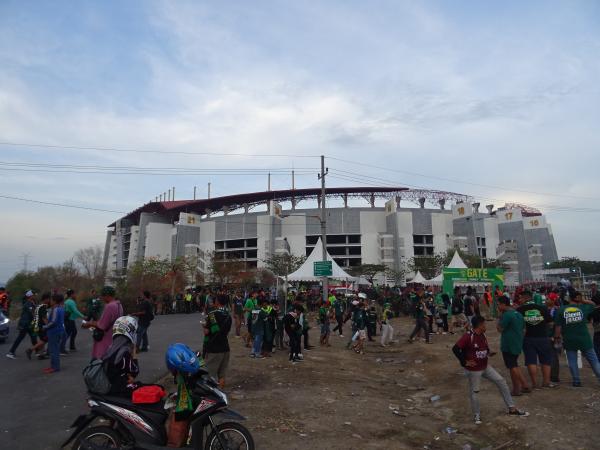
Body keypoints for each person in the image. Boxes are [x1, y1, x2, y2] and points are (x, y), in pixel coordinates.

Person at [452, 315, 528, 424]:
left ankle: (512, 408)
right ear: (480, 325)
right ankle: (477, 415)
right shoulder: (468, 336)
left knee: (501, 381)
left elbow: (483, 348)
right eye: (484, 324)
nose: (486, 326)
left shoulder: (482, 335)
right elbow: (455, 348)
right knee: (475, 391)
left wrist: (488, 353)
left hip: (485, 366)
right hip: (474, 370)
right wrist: (464, 362)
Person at [554, 291, 600, 387]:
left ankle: (576, 380)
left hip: (569, 338)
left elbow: (558, 327)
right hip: (584, 338)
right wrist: (583, 300)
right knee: (593, 360)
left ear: (569, 298)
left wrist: (557, 337)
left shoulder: (561, 310)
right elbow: (593, 304)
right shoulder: (582, 308)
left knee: (572, 360)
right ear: (579, 298)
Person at [516, 290, 555, 388]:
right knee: (546, 360)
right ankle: (546, 382)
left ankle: (535, 383)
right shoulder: (542, 308)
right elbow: (551, 323)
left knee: (531, 360)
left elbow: (518, 326)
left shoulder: (519, 310)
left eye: (520, 298)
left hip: (528, 338)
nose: (519, 300)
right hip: (543, 337)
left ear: (525, 298)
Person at [497, 296, 531, 395]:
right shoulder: (518, 314)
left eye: (498, 304)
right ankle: (516, 389)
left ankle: (524, 385)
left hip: (508, 344)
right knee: (514, 365)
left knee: (512, 366)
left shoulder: (507, 315)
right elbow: (524, 330)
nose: (498, 306)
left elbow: (499, 329)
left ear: (503, 304)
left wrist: (499, 318)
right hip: (517, 343)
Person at [102, 316, 141, 396]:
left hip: (107, 382)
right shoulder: (124, 351)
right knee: (141, 387)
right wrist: (134, 352)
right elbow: (135, 370)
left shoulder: (110, 348)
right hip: (116, 387)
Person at [82, 286, 124, 360]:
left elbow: (102, 325)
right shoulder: (119, 305)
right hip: (114, 335)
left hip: (105, 337)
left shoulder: (110, 306)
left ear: (107, 296)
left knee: (101, 360)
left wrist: (89, 323)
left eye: (102, 296)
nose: (102, 298)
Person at [203, 295, 232, 388]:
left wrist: (204, 326)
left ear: (217, 302)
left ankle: (211, 396)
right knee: (222, 375)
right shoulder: (228, 315)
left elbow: (207, 332)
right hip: (225, 348)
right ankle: (221, 393)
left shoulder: (212, 314)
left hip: (214, 349)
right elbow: (226, 331)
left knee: (209, 376)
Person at [6, 290, 37, 359]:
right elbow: (32, 313)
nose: (34, 296)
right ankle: (11, 352)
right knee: (20, 338)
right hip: (25, 324)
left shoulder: (31, 302)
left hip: (29, 324)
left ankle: (37, 352)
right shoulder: (28, 303)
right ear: (30, 296)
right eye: (33, 295)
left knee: (33, 337)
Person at [43, 293, 66, 374]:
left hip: (54, 332)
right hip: (58, 331)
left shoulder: (56, 309)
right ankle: (53, 366)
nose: (50, 301)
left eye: (52, 300)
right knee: (54, 350)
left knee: (54, 351)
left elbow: (53, 322)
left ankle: (55, 367)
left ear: (55, 301)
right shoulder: (61, 308)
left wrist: (45, 327)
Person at [27, 292, 51, 360]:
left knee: (42, 340)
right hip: (41, 326)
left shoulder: (39, 305)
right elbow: (44, 318)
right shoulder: (43, 306)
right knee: (45, 339)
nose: (49, 300)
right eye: (49, 299)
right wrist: (48, 325)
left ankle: (41, 354)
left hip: (37, 325)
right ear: (46, 299)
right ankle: (30, 349)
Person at [61, 289, 85, 354]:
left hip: (69, 319)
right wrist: (83, 316)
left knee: (73, 332)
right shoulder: (71, 302)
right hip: (69, 319)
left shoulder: (66, 301)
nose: (75, 295)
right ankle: (62, 348)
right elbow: (75, 310)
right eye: (74, 294)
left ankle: (71, 346)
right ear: (71, 295)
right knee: (68, 333)